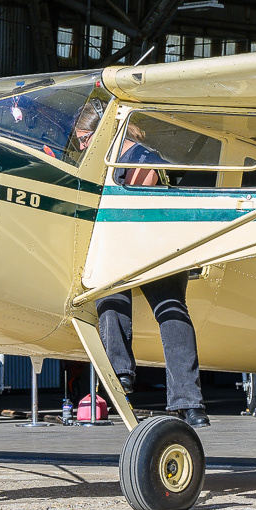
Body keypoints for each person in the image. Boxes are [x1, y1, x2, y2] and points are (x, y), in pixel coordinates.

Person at [71, 105, 209, 428]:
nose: (81, 148)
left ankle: (122, 376)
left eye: (84, 140)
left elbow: (141, 201)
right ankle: (189, 405)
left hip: (153, 245)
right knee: (169, 311)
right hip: (149, 245)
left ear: (100, 134)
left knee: (124, 298)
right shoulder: (125, 158)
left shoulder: (139, 158)